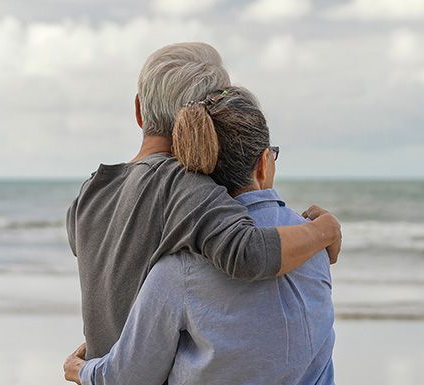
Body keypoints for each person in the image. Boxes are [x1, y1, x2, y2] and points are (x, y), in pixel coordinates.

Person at [64, 42, 342, 367]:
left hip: (105, 369)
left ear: (139, 111)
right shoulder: (184, 186)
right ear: (205, 124)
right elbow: (249, 254)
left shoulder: (91, 192)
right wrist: (325, 229)